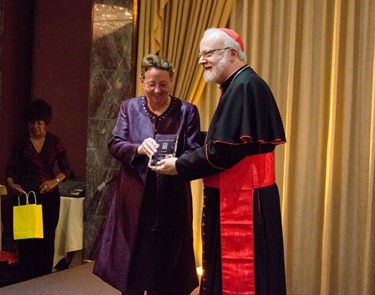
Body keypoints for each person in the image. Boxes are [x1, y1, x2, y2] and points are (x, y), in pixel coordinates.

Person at [154, 28, 287, 294]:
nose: (202, 60)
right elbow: (224, 139)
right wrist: (184, 144)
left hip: (243, 203)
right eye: (201, 54)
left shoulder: (245, 86)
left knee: (240, 276)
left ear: (232, 54)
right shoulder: (239, 85)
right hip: (244, 197)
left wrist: (179, 165)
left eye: (209, 53)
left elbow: (223, 151)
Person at [93, 54, 201, 295]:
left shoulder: (187, 111)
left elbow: (194, 151)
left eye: (163, 84)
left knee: (169, 264)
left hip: (171, 199)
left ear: (172, 81)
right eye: (151, 84)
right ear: (142, 81)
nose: (157, 90)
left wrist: (177, 162)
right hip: (134, 199)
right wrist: (138, 148)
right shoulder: (129, 108)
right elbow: (114, 144)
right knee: (133, 264)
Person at [6, 98, 71, 281]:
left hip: (49, 197)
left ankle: (44, 279)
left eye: (39, 123)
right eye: (32, 123)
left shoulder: (54, 142)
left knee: (46, 239)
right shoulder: (21, 143)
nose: (36, 126)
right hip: (26, 197)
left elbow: (66, 169)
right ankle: (26, 279)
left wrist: (54, 181)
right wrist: (12, 185)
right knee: (27, 242)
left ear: (45, 123)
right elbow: (10, 169)